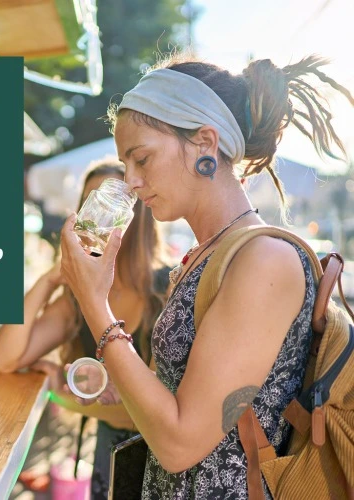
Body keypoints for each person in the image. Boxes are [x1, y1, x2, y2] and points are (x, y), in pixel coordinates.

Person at [59, 55, 354, 498]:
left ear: (204, 143)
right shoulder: (203, 256)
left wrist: (94, 305)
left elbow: (180, 445)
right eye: (126, 166)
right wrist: (124, 385)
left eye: (142, 159)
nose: (132, 182)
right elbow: (190, 396)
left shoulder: (264, 260)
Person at [0, 157, 170, 498]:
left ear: (136, 218)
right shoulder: (76, 300)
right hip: (109, 452)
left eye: (113, 209)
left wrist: (66, 396)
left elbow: (152, 410)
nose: (98, 222)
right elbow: (4, 359)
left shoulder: (167, 288)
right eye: (93, 205)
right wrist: (51, 277)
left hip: (161, 461)